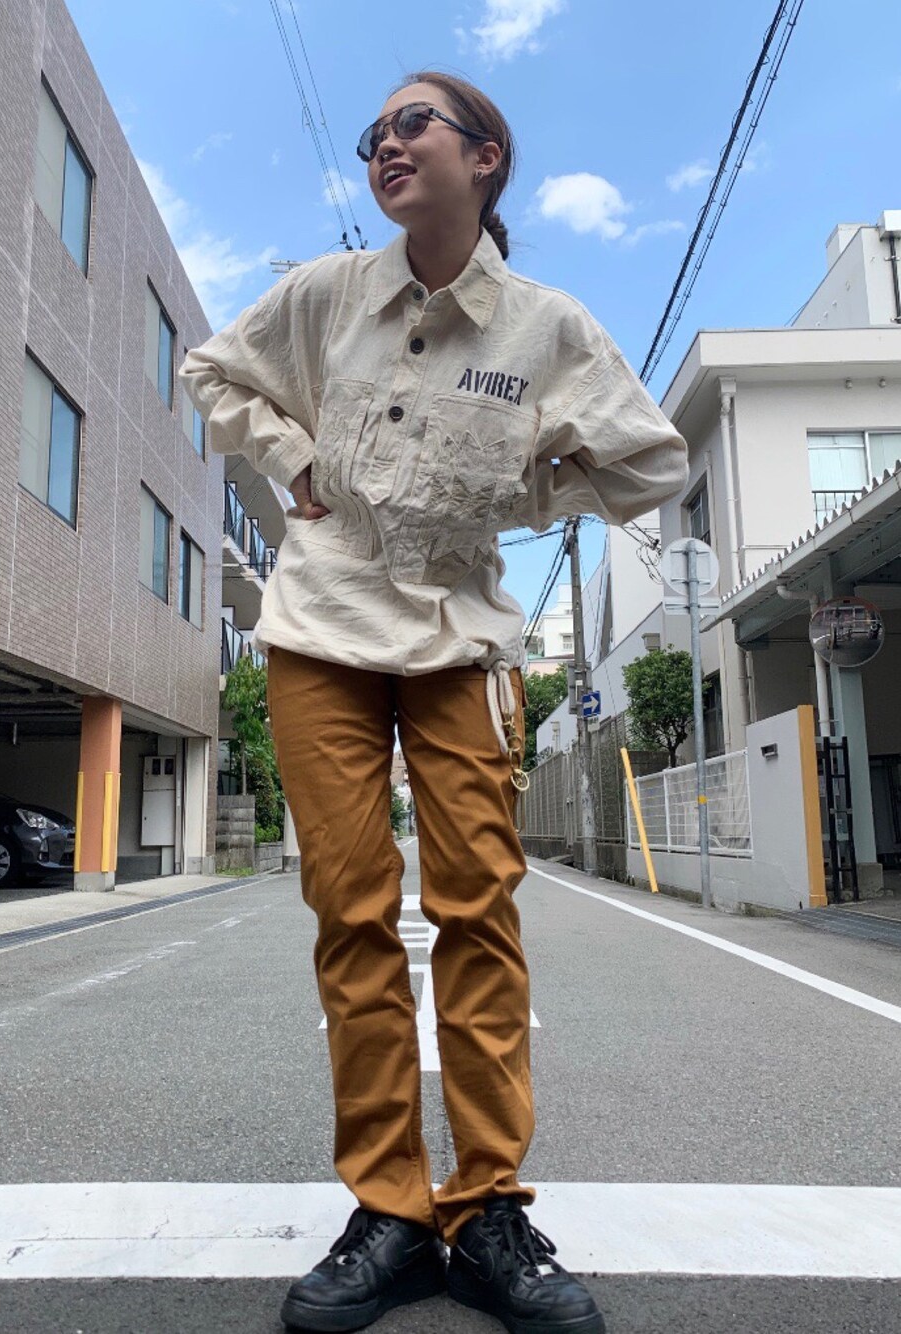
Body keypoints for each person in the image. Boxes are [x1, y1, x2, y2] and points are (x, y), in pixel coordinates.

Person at [181, 71, 687, 1334]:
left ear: (486, 155)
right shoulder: (325, 294)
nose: (387, 144)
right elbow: (213, 371)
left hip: (460, 637)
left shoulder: (546, 327)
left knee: (477, 909)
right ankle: (391, 1212)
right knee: (352, 914)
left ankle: (490, 1207)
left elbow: (649, 458)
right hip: (320, 628)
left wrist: (522, 492)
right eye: (376, 134)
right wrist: (290, 454)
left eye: (414, 123)